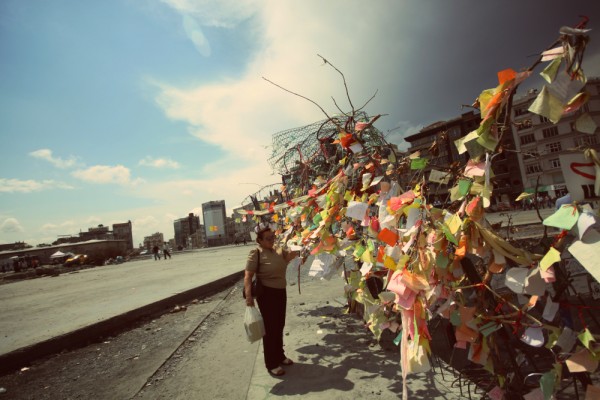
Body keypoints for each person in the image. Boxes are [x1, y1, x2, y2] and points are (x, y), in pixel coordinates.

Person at [244, 222, 299, 377]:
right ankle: (271, 363)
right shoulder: (256, 252)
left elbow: (289, 258)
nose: (271, 240)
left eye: (273, 237)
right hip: (266, 294)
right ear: (259, 240)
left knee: (279, 325)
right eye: (268, 238)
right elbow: (248, 276)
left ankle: (280, 355)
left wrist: (300, 250)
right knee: (270, 328)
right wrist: (249, 297)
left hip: (280, 291)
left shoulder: (278, 250)